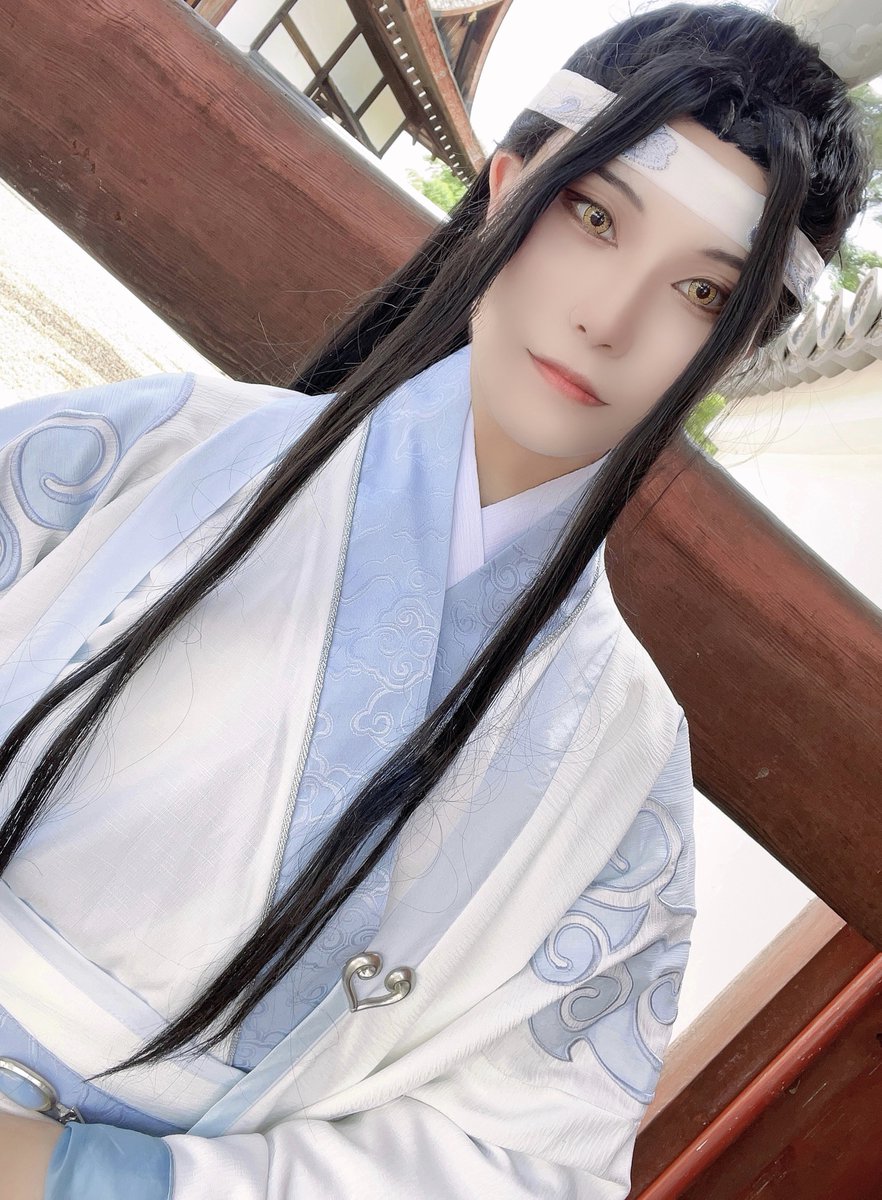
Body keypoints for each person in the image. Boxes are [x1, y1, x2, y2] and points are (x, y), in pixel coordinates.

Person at [0, 2, 871, 1197]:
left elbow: (520, 1164)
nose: (607, 318)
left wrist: (73, 1174)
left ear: (739, 349)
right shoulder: (146, 449)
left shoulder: (622, 767)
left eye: (703, 293)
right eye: (595, 217)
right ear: (508, 188)